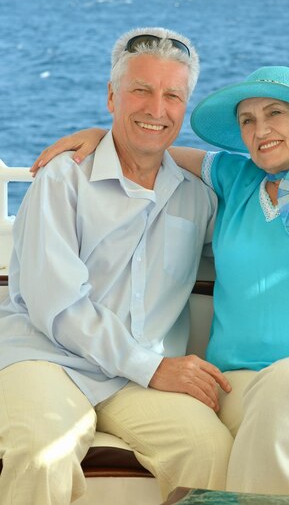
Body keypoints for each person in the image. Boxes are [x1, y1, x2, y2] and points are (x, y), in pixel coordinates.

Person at [33, 64, 289, 496]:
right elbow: (152, 147)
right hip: (240, 384)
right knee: (272, 404)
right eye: (247, 120)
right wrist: (103, 133)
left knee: (286, 389)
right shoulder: (236, 179)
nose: (260, 128)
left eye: (276, 114)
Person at [0, 27, 234, 505]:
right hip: (48, 359)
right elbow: (57, 306)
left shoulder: (198, 196)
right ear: (112, 96)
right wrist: (152, 367)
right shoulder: (63, 180)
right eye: (141, 90)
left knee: (211, 449)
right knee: (41, 453)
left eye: (172, 95)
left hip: (135, 379)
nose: (156, 109)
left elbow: (264, 240)